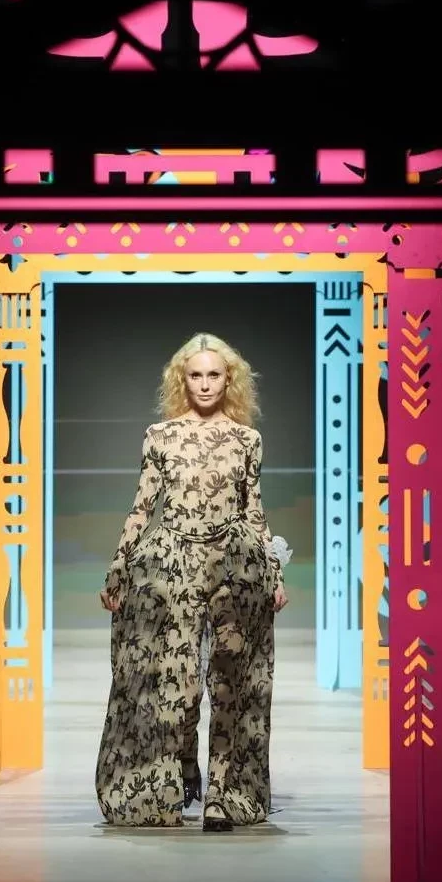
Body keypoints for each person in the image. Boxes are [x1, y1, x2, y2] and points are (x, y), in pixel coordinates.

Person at [95, 333, 289, 831]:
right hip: (170, 566)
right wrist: (118, 568)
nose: (205, 384)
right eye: (196, 375)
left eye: (214, 375)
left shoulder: (247, 440)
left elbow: (254, 512)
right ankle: (170, 779)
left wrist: (274, 573)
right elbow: (142, 507)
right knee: (173, 685)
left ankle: (225, 798)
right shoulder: (160, 435)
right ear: (182, 380)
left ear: (230, 380)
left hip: (236, 565)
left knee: (232, 682)